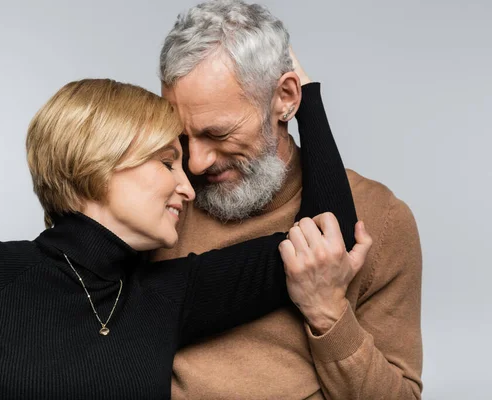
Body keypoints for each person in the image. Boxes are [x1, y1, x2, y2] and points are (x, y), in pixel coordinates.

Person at [0, 78, 370, 399]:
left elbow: (327, 236)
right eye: (167, 163)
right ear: (96, 165)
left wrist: (303, 96)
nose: (188, 186)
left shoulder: (169, 294)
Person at [155, 0, 423, 399]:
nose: (196, 161)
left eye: (219, 133)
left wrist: (328, 313)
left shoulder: (381, 219)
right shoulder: (155, 205)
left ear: (285, 98)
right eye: (183, 136)